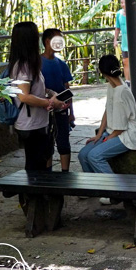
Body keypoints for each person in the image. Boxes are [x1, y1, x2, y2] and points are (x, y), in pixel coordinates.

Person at [79, 55, 136, 203]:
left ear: (103, 72)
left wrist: (106, 139)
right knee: (83, 154)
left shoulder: (122, 91)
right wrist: (99, 134)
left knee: (94, 156)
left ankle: (116, 193)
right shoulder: (112, 86)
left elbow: (120, 129)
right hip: (113, 131)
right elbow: (107, 111)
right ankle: (94, 188)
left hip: (127, 134)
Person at [7, 22, 63, 172]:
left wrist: (52, 94)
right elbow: (24, 96)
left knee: (40, 159)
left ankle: (37, 193)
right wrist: (48, 102)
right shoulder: (23, 66)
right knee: (35, 163)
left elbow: (38, 88)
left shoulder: (30, 63)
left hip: (37, 121)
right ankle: (32, 194)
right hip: (30, 123)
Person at [41, 28, 75, 171]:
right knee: (47, 144)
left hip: (62, 110)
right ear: (47, 41)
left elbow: (67, 90)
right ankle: (48, 175)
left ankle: (65, 174)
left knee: (63, 142)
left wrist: (71, 113)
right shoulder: (36, 63)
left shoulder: (61, 64)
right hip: (43, 111)